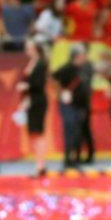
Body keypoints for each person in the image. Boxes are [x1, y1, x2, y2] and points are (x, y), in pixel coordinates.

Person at [16, 39, 49, 177]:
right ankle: (39, 164)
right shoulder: (32, 63)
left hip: (38, 101)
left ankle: (41, 165)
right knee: (33, 134)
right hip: (31, 100)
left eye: (29, 47)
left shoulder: (41, 64)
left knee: (38, 132)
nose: (27, 49)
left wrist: (27, 86)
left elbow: (39, 84)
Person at [53, 44, 89, 169]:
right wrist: (60, 93)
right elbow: (54, 77)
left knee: (78, 132)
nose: (85, 57)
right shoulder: (67, 68)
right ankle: (68, 159)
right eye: (83, 55)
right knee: (70, 131)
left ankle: (75, 158)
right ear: (77, 56)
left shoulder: (84, 68)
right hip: (69, 105)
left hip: (80, 105)